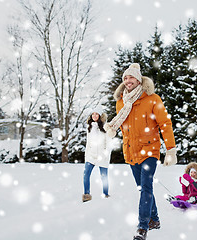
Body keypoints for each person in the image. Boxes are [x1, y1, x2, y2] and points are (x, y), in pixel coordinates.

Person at [104, 63, 177, 240]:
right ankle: (155, 219)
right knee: (142, 188)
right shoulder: (121, 102)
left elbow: (164, 124)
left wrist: (170, 149)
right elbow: (125, 127)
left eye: (131, 77)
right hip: (131, 152)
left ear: (139, 79)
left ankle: (142, 227)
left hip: (150, 150)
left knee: (146, 187)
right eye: (125, 78)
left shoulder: (152, 99)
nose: (128, 81)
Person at [82, 109, 111, 202]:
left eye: (96, 114)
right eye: (92, 114)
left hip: (102, 156)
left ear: (100, 115)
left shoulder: (106, 127)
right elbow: (88, 143)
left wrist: (106, 155)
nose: (94, 116)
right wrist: (87, 156)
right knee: (86, 174)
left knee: (104, 177)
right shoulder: (89, 127)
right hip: (91, 156)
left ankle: (105, 194)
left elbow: (108, 143)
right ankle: (86, 194)